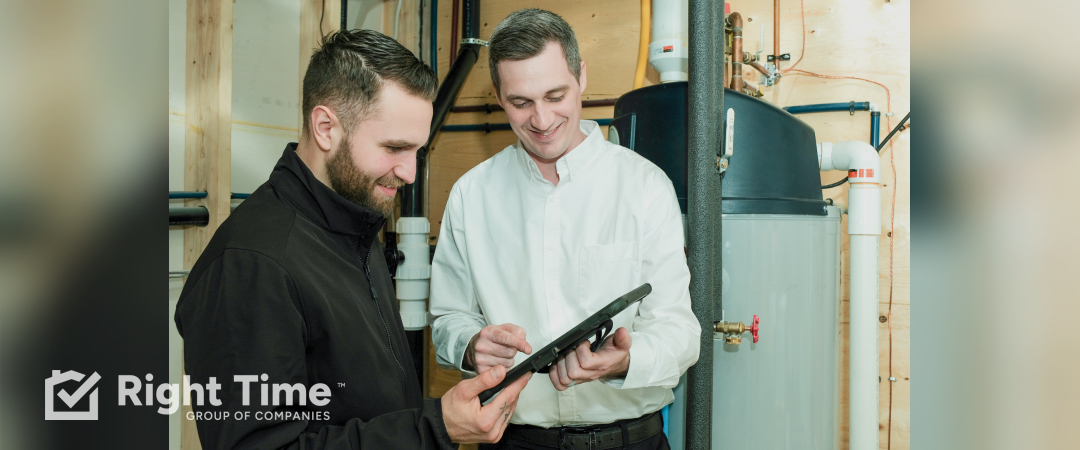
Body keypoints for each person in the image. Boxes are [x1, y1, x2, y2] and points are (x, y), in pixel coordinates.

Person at [174, 29, 530, 450]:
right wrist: (432, 430)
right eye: (394, 147)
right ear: (326, 127)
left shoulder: (353, 223)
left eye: (416, 150)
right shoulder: (251, 265)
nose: (410, 173)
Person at [429, 9, 700, 450]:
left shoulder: (645, 186)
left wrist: (623, 360)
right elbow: (447, 319)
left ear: (582, 78)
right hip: (516, 441)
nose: (540, 119)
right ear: (499, 96)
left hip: (630, 441)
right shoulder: (470, 195)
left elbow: (680, 332)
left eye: (556, 95)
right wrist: (468, 343)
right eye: (521, 102)